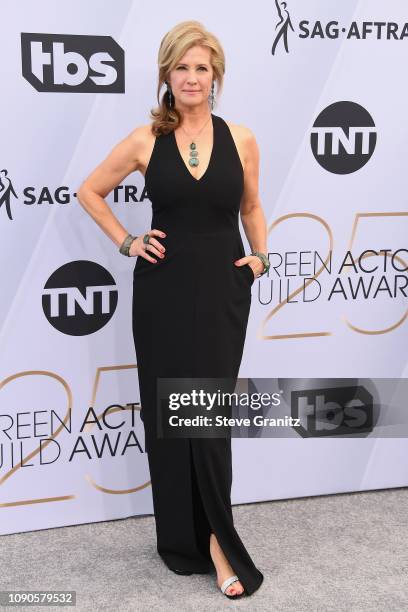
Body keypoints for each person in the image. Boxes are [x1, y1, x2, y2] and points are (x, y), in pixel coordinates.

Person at [77, 20, 270, 600]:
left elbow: (253, 207)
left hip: (220, 290)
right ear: (167, 74)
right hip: (161, 290)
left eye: (202, 68)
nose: (192, 78)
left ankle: (218, 542)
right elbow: (89, 190)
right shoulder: (144, 141)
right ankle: (182, 540)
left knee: (207, 416)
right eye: (182, 67)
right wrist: (127, 240)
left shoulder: (241, 138)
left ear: (216, 78)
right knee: (170, 414)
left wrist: (261, 257)